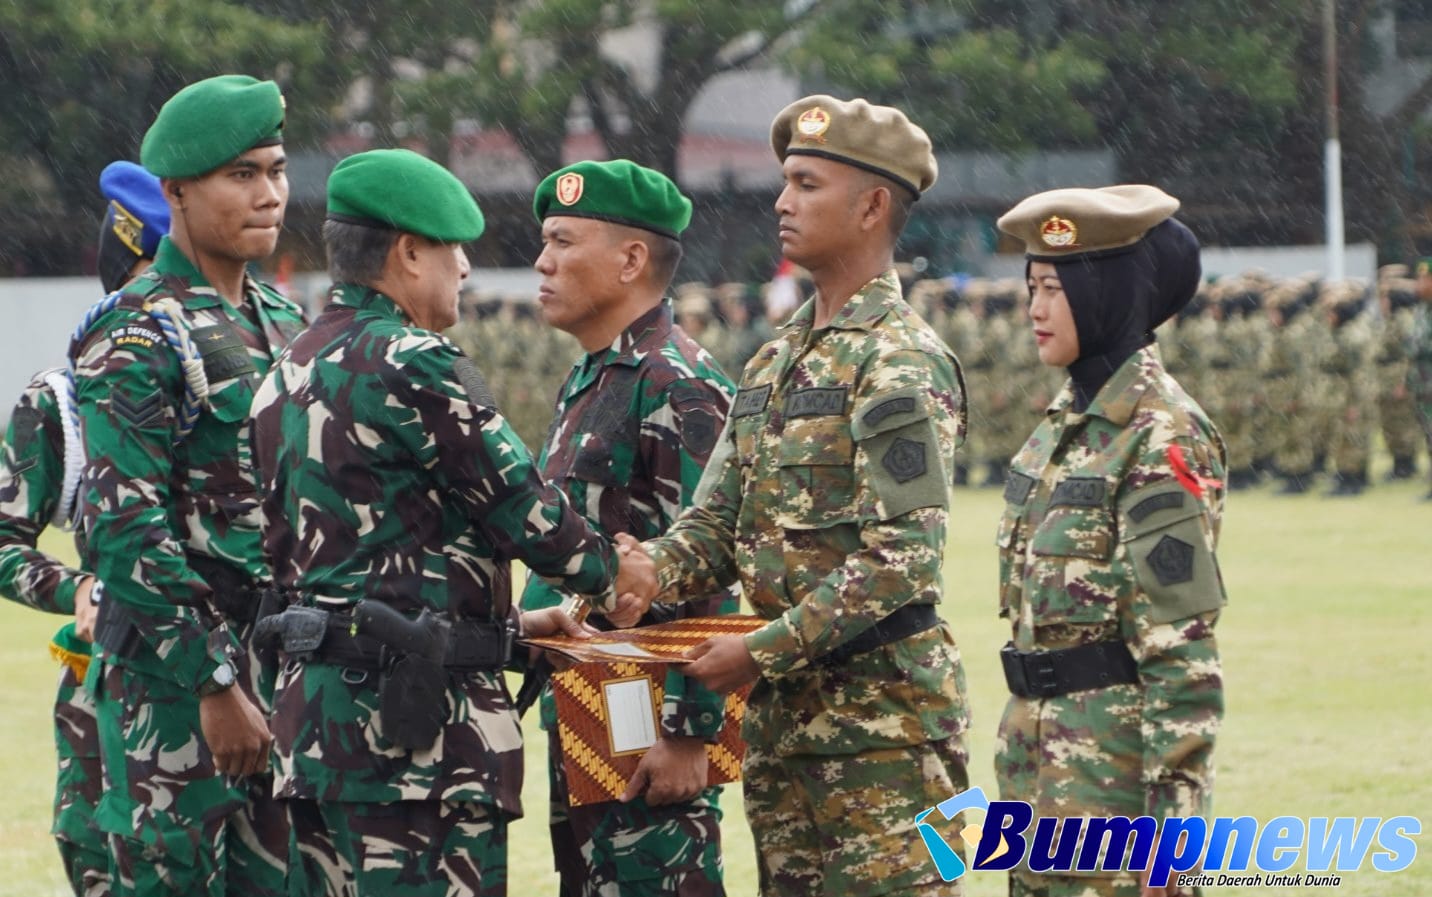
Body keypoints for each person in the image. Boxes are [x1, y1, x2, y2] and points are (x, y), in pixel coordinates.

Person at [616, 95, 972, 897]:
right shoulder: (776, 359)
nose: (782, 201)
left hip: (886, 733)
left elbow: (904, 558)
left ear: (872, 206)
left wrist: (759, 650)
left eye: (807, 184)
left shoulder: (898, 360)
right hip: (787, 730)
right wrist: (642, 569)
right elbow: (715, 524)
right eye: (786, 182)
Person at [249, 148, 628, 897]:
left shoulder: (286, 366)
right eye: (453, 249)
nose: (464, 268)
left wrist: (515, 628)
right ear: (409, 252)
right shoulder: (418, 361)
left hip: (317, 728)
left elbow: (345, 560)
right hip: (418, 742)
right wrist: (614, 572)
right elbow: (529, 513)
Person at [68, 74, 306, 896]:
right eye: (242, 175)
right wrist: (213, 679)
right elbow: (123, 524)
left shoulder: (283, 319)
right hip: (175, 687)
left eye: (276, 170)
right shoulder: (137, 329)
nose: (269, 194)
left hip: (281, 667)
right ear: (175, 193)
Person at [993, 185, 1227, 897]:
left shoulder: (1160, 433)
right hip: (1033, 777)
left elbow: (1181, 647)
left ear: (1106, 292)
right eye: (1031, 287)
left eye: (1054, 289)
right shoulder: (1060, 427)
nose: (1035, 309)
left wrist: (1174, 830)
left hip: (1115, 792)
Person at [520, 159, 737, 897]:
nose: (543, 261)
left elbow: (717, 557)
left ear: (631, 259)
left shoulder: (678, 382)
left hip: (650, 721)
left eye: (562, 241)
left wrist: (690, 729)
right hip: (586, 707)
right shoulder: (596, 375)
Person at [0, 158, 170, 897]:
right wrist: (78, 589)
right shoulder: (64, 402)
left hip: (254, 683)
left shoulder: (259, 373)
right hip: (116, 697)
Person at [1408, 257, 1432, 499]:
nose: (1420, 284)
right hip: (1424, 384)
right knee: (1428, 433)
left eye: (1425, 279)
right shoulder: (1422, 310)